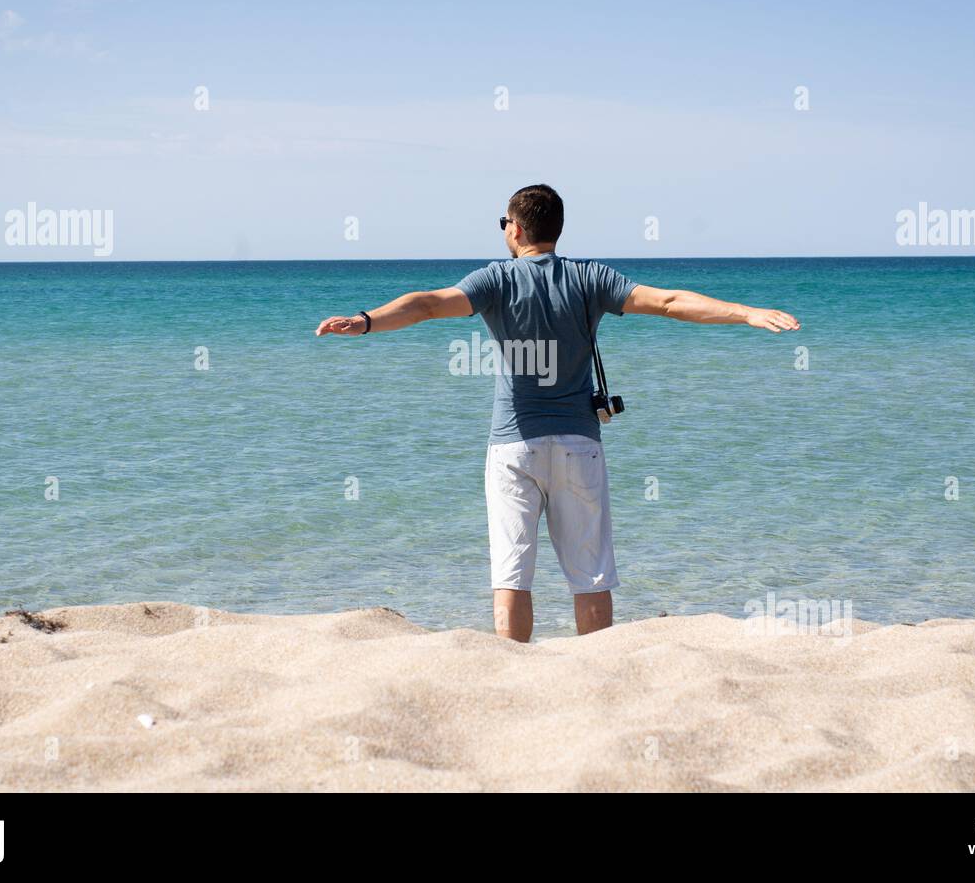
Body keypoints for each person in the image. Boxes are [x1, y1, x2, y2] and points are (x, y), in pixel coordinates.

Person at [315, 184, 799, 642]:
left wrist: (364, 322)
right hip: (578, 446)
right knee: (590, 575)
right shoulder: (590, 278)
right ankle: (592, 675)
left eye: (504, 221)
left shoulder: (496, 279)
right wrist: (745, 312)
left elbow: (425, 305)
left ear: (516, 230)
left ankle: (514, 671)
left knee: (511, 572)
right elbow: (670, 301)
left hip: (513, 447)